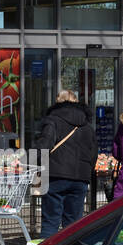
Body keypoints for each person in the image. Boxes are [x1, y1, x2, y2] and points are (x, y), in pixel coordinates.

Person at [35, 89, 99, 237]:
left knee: (51, 221)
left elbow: (43, 146)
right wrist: (86, 172)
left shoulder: (52, 121)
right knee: (73, 223)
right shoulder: (87, 126)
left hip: (55, 176)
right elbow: (93, 154)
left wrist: (33, 164)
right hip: (80, 179)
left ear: (58, 102)